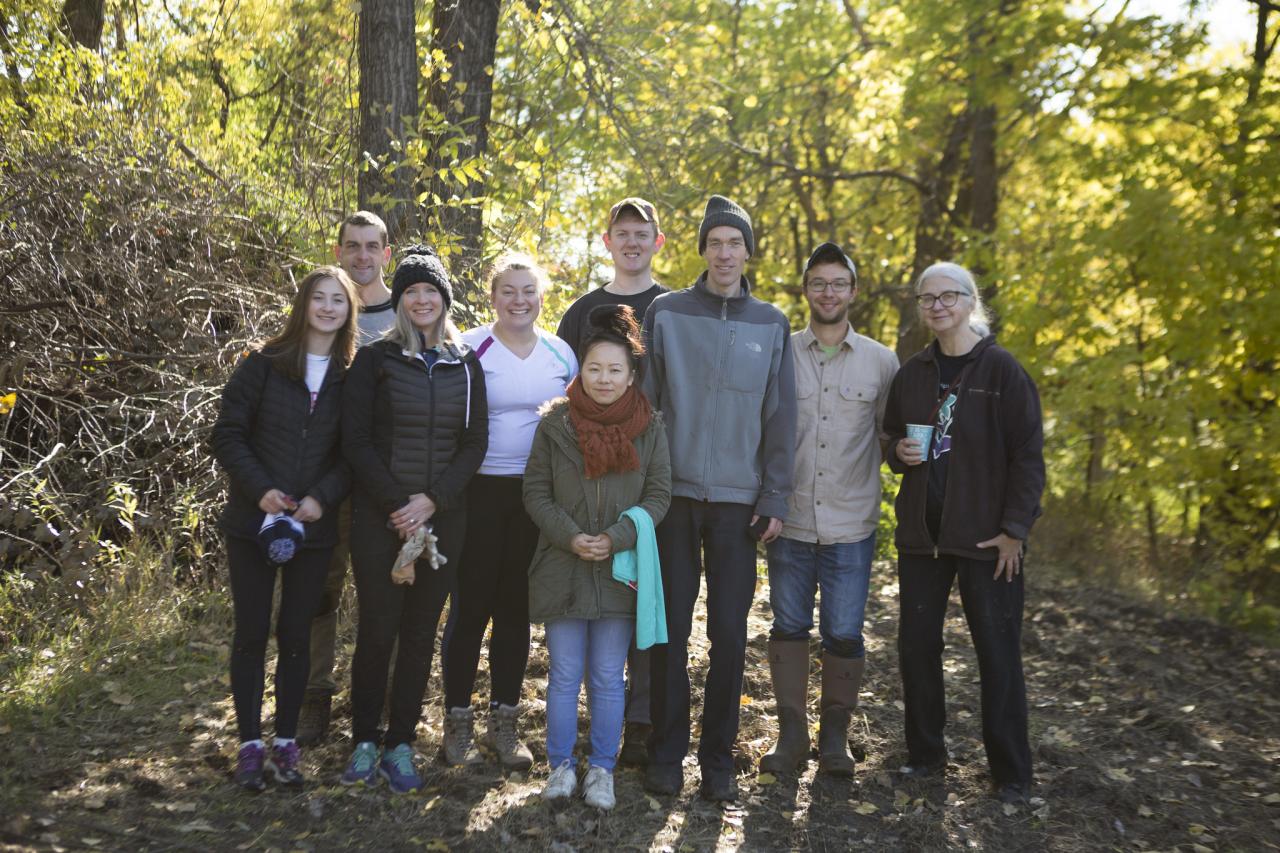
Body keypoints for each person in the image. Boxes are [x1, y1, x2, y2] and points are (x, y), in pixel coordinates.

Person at [641, 194, 797, 802]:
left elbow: (780, 417)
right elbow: (648, 405)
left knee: (730, 633)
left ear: (748, 252)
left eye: (735, 242)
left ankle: (718, 761)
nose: (724, 252)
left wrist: (775, 494)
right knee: (670, 630)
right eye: (715, 242)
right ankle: (665, 755)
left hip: (740, 503)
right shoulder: (668, 312)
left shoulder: (771, 323)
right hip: (673, 498)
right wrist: (644, 489)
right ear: (702, 250)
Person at [883, 261, 1044, 805]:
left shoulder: (1002, 371)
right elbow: (890, 436)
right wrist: (897, 453)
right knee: (917, 648)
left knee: (997, 654)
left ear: (970, 302)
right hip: (922, 540)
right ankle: (926, 756)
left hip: (987, 541)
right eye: (927, 298)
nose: (937, 306)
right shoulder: (913, 372)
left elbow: (1028, 457)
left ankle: (1012, 775)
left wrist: (1015, 531)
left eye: (948, 296)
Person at [338, 246, 488, 794]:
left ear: (444, 299)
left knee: (421, 632)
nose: (421, 300)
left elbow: (475, 444)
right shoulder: (375, 360)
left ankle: (400, 742)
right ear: (399, 300)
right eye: (411, 291)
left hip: (445, 518)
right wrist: (399, 505)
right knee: (378, 630)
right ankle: (363, 740)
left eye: (431, 291)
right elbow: (354, 440)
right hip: (381, 519)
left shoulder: (466, 362)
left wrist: (433, 501)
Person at [210, 265, 359, 791]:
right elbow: (227, 435)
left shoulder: (352, 374)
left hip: (313, 529)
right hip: (253, 523)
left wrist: (322, 498)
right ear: (303, 305)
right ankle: (250, 745)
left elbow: (354, 453)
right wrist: (260, 490)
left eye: (337, 301)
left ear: (348, 311)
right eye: (318, 298)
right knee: (251, 633)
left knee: (296, 636)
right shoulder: (263, 363)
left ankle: (286, 745)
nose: (326, 308)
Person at [523, 305, 671, 809]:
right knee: (564, 673)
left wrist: (618, 535)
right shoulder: (555, 425)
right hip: (562, 564)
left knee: (609, 675)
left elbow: (659, 495)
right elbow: (535, 492)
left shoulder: (649, 428)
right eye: (594, 369)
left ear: (631, 377)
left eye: (615, 370)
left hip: (618, 570)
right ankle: (561, 766)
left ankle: (602, 769)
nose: (604, 379)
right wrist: (570, 536)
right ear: (580, 371)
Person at [760, 243, 899, 777]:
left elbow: (889, 434)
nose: (828, 292)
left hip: (851, 523)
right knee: (789, 626)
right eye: (818, 282)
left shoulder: (882, 362)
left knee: (844, 632)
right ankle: (791, 735)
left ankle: (835, 737)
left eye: (838, 283)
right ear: (805, 291)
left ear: (853, 292)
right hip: (789, 520)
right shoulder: (781, 353)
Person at [439, 253, 577, 771]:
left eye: (529, 291)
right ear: (492, 296)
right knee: (471, 606)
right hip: (476, 492)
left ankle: (505, 723)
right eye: (509, 291)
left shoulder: (561, 354)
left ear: (542, 297)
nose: (519, 301)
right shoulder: (470, 347)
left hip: (535, 496)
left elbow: (577, 421)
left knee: (516, 609)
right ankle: (457, 724)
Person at [555, 195, 668, 765]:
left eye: (641, 233)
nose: (631, 241)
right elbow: (562, 392)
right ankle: (584, 722)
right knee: (588, 604)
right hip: (587, 478)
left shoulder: (673, 309)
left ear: (657, 242)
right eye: (621, 232)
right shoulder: (581, 312)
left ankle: (641, 722)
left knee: (639, 594)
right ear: (607, 242)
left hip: (647, 476)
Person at [297, 211, 399, 744]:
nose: (362, 256)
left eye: (372, 246)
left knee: (387, 589)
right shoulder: (325, 308)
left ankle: (384, 696)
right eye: (352, 246)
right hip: (329, 479)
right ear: (338, 252)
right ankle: (315, 694)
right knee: (321, 588)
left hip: (387, 481)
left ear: (387, 252)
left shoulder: (407, 309)